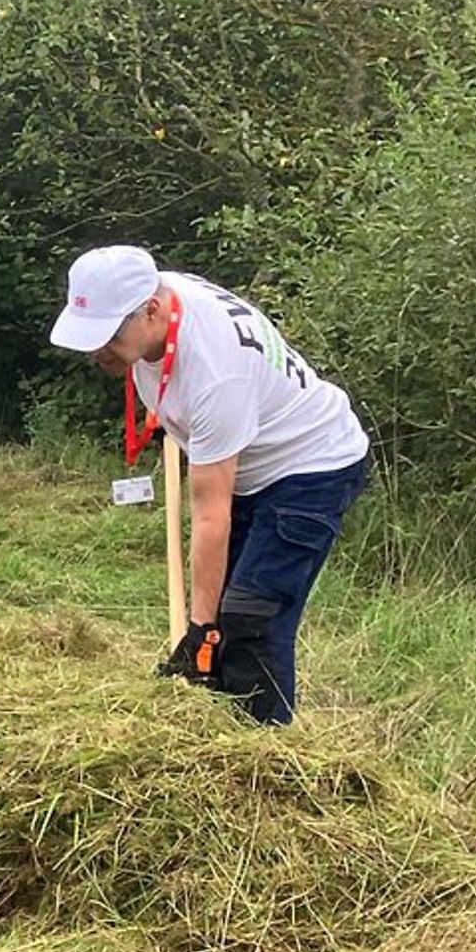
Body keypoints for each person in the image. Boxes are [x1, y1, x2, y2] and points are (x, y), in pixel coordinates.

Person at [50, 245, 370, 725]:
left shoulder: (216, 373)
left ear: (151, 311)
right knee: (223, 612)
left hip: (311, 468)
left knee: (249, 617)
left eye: (108, 336)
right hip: (250, 461)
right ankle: (215, 724)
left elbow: (210, 515)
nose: (97, 351)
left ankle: (263, 757)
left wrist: (200, 632)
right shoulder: (159, 301)